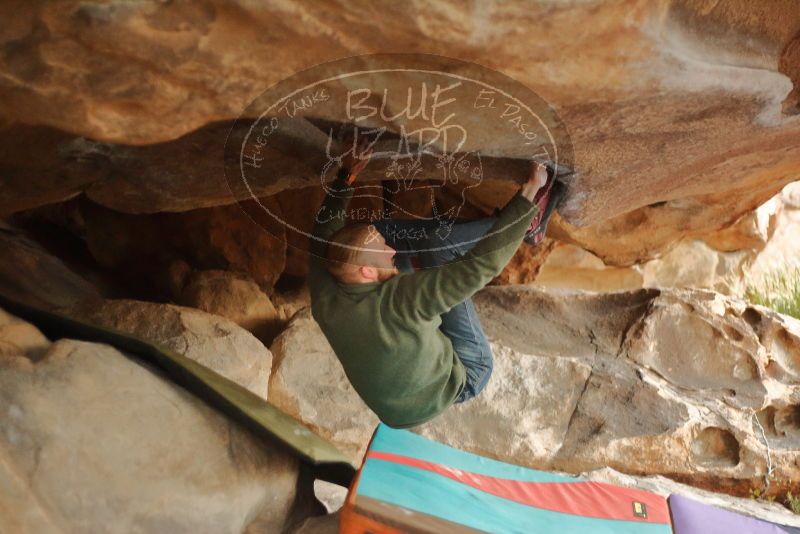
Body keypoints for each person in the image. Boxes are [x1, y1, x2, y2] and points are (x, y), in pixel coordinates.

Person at [309, 135, 559, 428]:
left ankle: (490, 230)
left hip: (394, 409)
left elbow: (324, 228)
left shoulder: (328, 286)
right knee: (442, 247)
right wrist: (528, 193)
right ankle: (525, 224)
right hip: (463, 375)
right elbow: (478, 268)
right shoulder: (400, 301)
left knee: (379, 230)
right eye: (384, 252)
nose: (391, 249)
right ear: (367, 273)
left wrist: (348, 174)